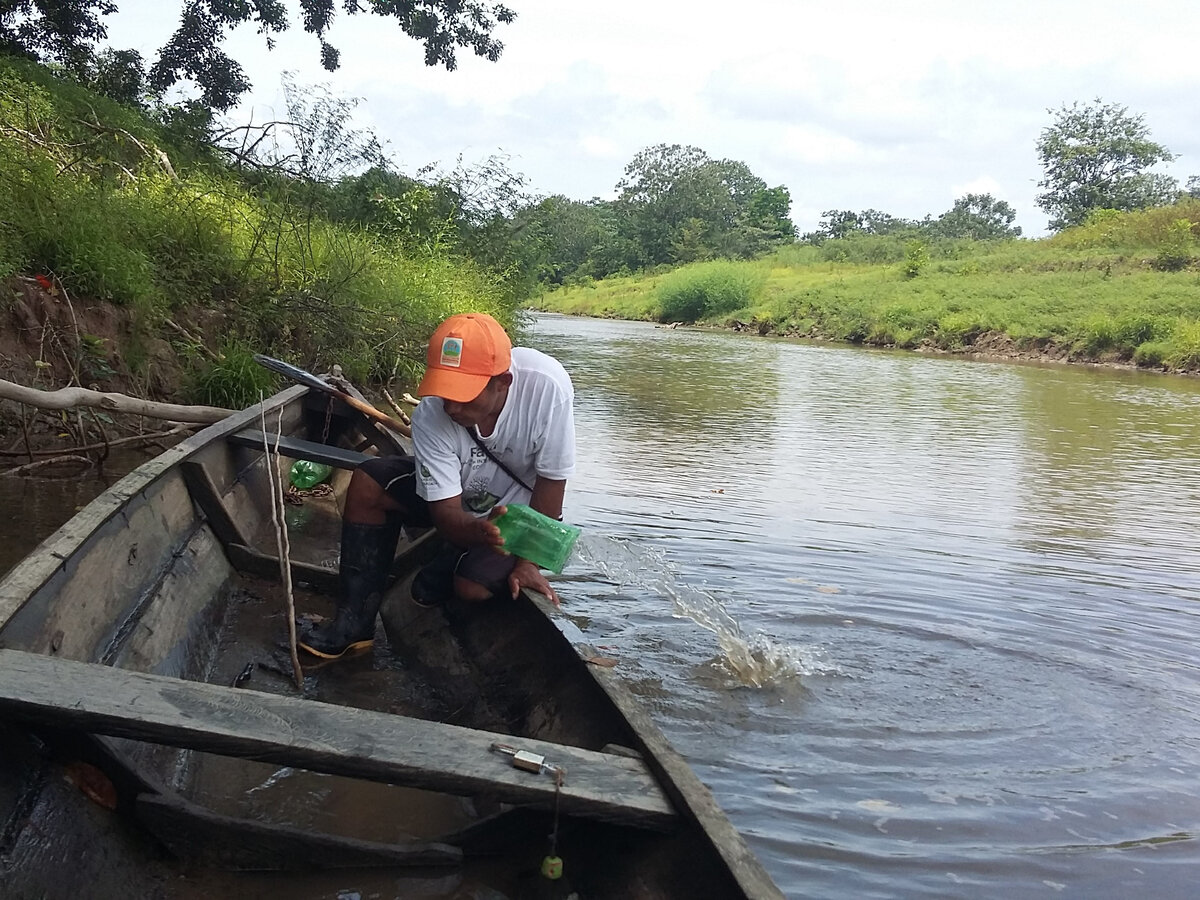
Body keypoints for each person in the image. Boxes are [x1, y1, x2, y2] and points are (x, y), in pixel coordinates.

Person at [299, 312, 576, 659]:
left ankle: (459, 568)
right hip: (465, 506)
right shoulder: (432, 412)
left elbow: (551, 486)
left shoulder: (547, 388)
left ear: (502, 382)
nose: (453, 407)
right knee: (369, 482)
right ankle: (354, 626)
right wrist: (478, 532)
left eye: (466, 395)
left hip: (518, 516)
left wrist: (528, 563)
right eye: (445, 391)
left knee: (470, 588)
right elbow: (446, 514)